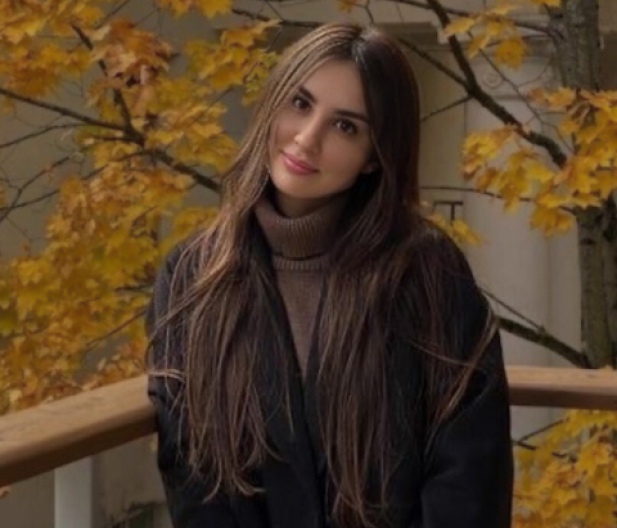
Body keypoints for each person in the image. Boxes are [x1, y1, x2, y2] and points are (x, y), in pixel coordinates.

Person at [146, 22, 513, 528]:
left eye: (346, 126)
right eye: (299, 103)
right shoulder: (193, 277)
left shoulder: (426, 272)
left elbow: (471, 474)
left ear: (373, 158)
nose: (307, 138)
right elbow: (194, 480)